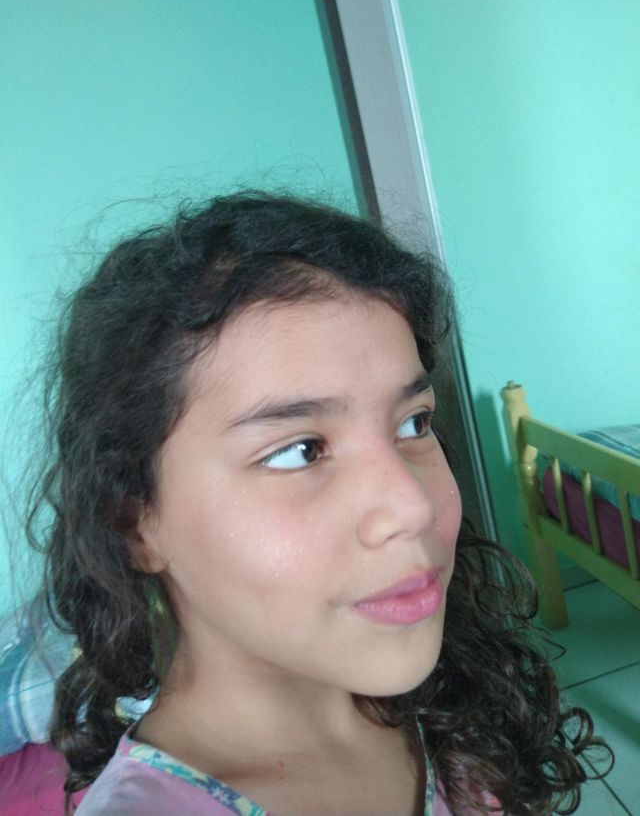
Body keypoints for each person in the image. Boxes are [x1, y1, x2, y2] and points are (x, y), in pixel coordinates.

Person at [26, 191, 611, 815]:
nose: (413, 507)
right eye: (300, 451)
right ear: (135, 524)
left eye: (413, 423)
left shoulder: (449, 702)